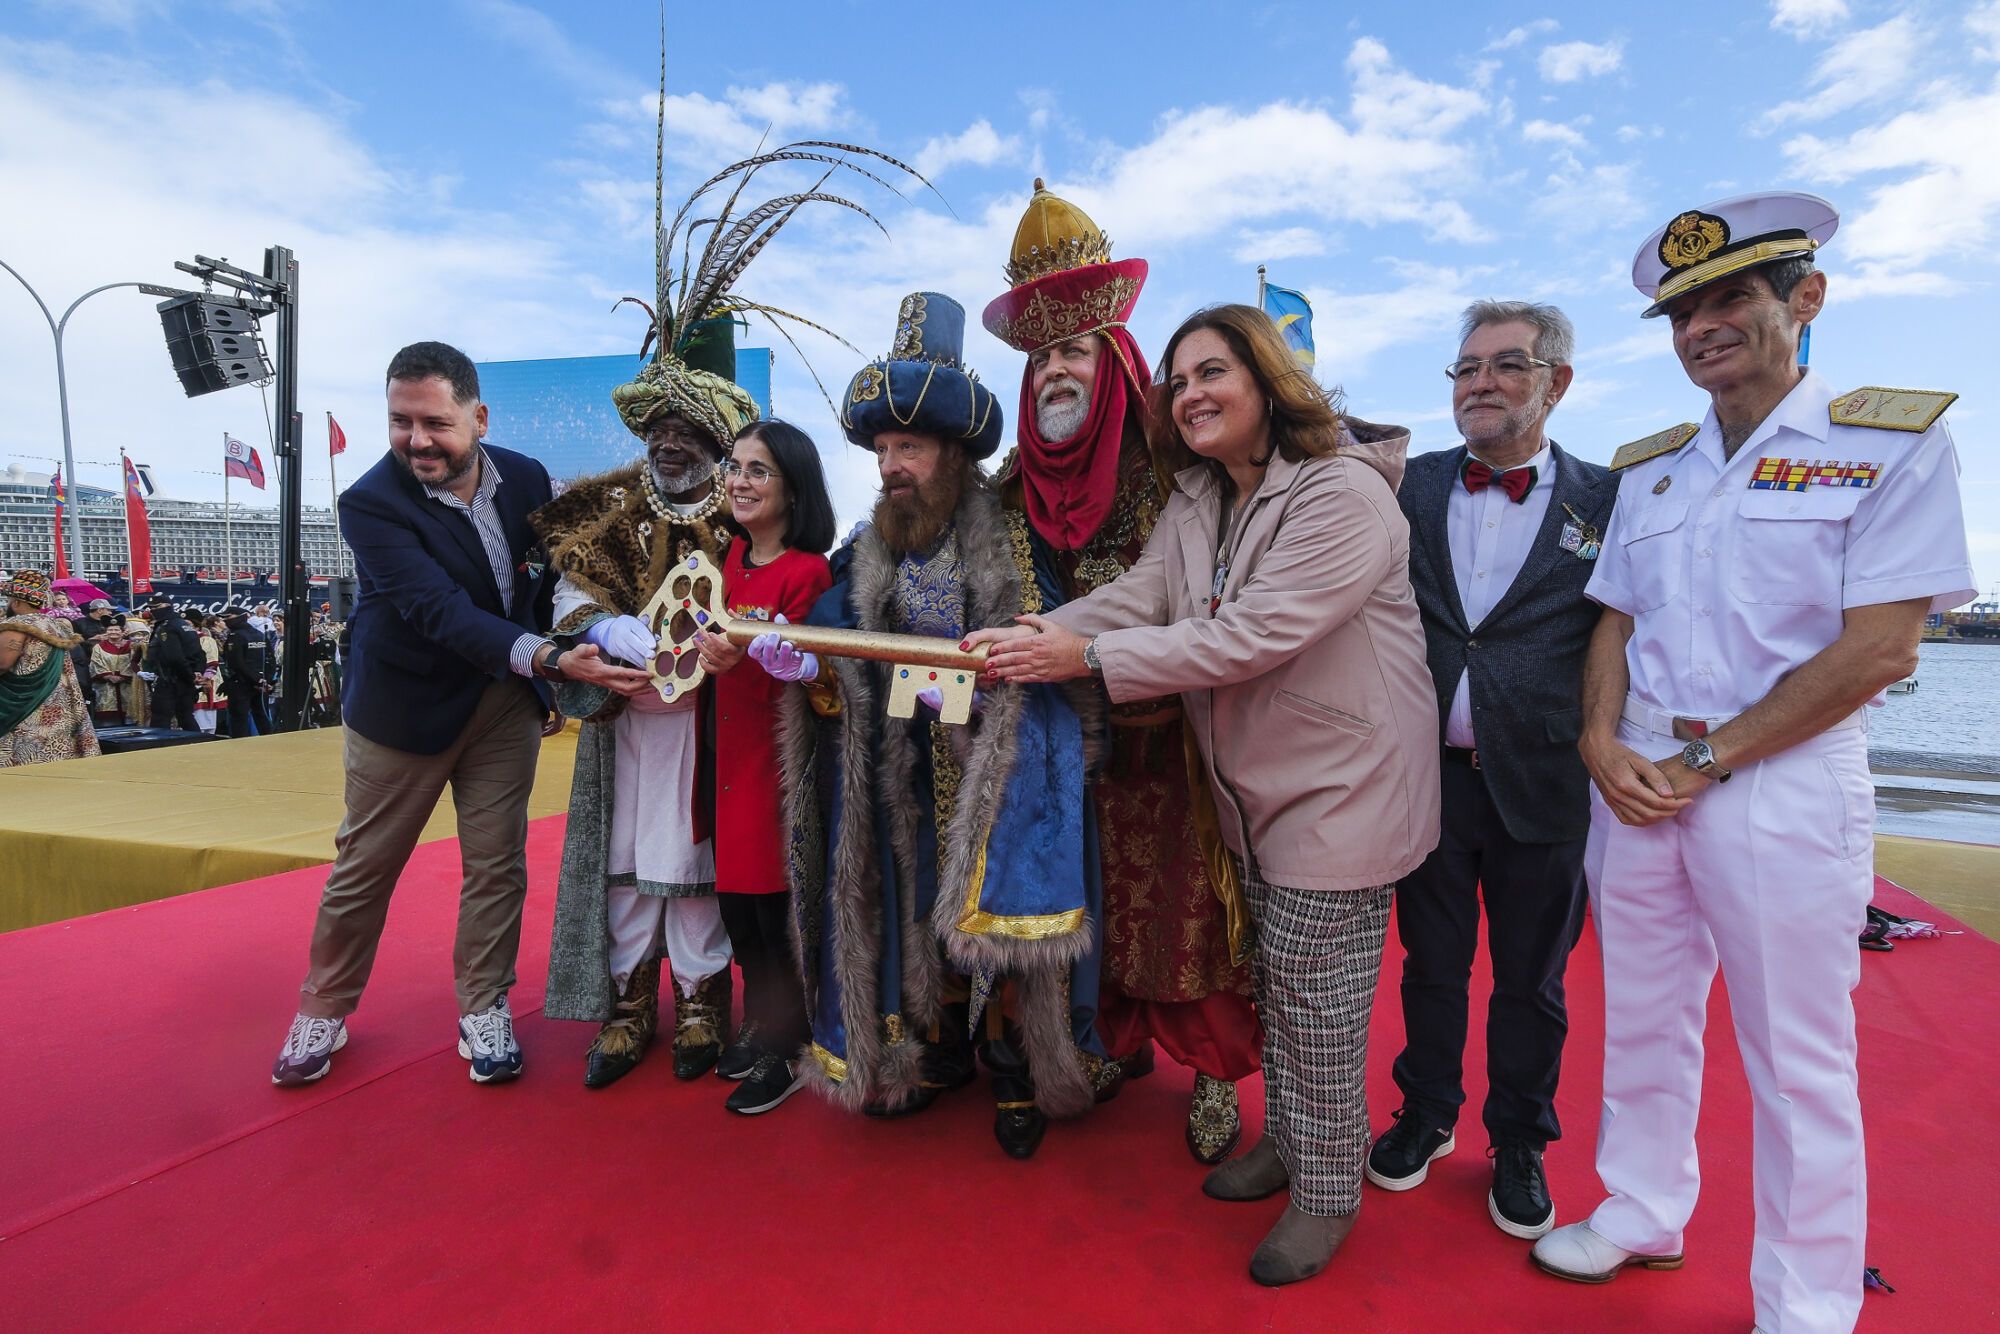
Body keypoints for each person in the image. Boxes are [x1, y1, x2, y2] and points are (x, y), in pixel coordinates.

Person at [1526, 193, 1976, 1333]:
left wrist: (1711, 758)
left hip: (1778, 783)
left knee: (1796, 1056)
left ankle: (1806, 1299)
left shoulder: (1886, 442)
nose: (1699, 328)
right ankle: (1641, 1204)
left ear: (1804, 299)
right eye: (1681, 311)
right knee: (1641, 1013)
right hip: (1636, 777)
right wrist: (1594, 741)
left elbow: (1880, 643)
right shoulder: (1655, 470)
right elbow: (1613, 623)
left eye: (1729, 298)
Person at [971, 304, 1439, 1284]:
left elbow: (1250, 634)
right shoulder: (1199, 498)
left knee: (1318, 1003)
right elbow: (1142, 597)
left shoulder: (1341, 493)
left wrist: (1081, 655)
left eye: (1212, 372)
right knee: (1277, 985)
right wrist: (1030, 632)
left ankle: (1326, 1190)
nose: (1190, 394)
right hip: (1255, 793)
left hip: (1341, 793)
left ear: (1268, 382)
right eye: (1177, 380)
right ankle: (1295, 1144)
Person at [759, 291, 1105, 1160]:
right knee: (912, 905)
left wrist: (1004, 683)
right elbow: (838, 626)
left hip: (1000, 753)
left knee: (1008, 901)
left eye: (907, 446)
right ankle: (934, 1041)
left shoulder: (1015, 540)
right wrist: (809, 667)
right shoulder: (868, 547)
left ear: (953, 453)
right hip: (906, 765)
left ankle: (1023, 1061)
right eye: (881, 450)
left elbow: (1058, 636)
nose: (890, 467)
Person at [272, 340, 646, 1089]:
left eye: (435, 423)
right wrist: (547, 658)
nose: (417, 440)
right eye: (401, 421)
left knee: (497, 865)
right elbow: (435, 610)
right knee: (366, 867)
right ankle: (323, 1007)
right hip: (403, 715)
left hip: (503, 708)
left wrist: (600, 626)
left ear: (477, 416)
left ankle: (485, 1006)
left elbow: (550, 581)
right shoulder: (370, 503)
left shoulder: (528, 478)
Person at [981, 181, 1260, 1163]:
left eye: (1074, 348)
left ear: (1115, 358)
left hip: (1178, 739)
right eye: (1042, 354)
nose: (1056, 368)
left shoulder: (1182, 466)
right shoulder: (1007, 491)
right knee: (1085, 906)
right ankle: (1100, 1047)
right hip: (1062, 746)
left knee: (1190, 915)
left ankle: (1217, 1073)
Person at [1365, 301, 1615, 1240]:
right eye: (1465, 369)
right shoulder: (1405, 484)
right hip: (1426, 775)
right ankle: (1426, 1114)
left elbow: (1629, 631)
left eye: (1505, 365)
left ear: (1557, 381)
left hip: (1546, 779)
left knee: (1532, 981)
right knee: (1431, 965)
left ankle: (1519, 1140)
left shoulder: (1608, 497)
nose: (1479, 383)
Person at [532, 312, 745, 1090]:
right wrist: (603, 627)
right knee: (623, 863)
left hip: (711, 725)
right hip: (623, 721)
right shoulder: (609, 504)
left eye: (687, 427)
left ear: (719, 436)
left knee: (695, 862)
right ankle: (627, 1003)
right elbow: (567, 591)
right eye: (658, 426)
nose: (668, 441)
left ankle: (700, 998)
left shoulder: (751, 501)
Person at [689, 419, 835, 1114]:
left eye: (758, 470)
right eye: (735, 467)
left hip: (773, 770)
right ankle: (761, 1022)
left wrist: (761, 660)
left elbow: (813, 674)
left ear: (793, 487)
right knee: (737, 911)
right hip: (722, 760)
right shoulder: (726, 561)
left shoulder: (809, 572)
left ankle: (786, 1044)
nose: (739, 482)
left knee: (772, 911)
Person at [1, 570, 102, 767]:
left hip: (25, 705)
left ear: (16, 601)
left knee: (24, 751)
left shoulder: (16, 625)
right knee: (55, 751)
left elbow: (2, 663)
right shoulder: (54, 624)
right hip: (57, 702)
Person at [143, 594, 203, 731]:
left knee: (160, 719)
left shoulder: (167, 627)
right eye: (150, 608)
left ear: (168, 606)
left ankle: (158, 750)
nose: (152, 610)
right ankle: (199, 746)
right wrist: (196, 673)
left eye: (156, 607)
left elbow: (174, 657)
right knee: (186, 717)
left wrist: (190, 676)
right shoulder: (185, 625)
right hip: (184, 680)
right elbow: (200, 653)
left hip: (170, 680)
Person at [222, 607, 274, 738]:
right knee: (262, 716)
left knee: (239, 719)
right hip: (260, 684)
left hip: (241, 683)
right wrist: (265, 680)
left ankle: (240, 748)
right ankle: (271, 743)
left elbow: (236, 663)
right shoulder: (259, 634)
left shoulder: (236, 636)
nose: (225, 620)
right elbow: (270, 660)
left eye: (228, 617)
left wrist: (255, 679)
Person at [88, 619, 144, 725]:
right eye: (110, 629)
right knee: (109, 722)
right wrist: (108, 676)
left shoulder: (132, 646)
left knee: (130, 720)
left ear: (123, 632)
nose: (113, 632)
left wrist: (124, 676)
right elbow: (95, 664)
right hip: (106, 688)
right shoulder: (98, 647)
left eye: (116, 629)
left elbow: (136, 662)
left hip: (128, 687)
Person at [194, 616, 224, 734]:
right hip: (191, 681)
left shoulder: (206, 640)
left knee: (205, 718)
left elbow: (212, 663)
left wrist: (205, 679)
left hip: (204, 682)